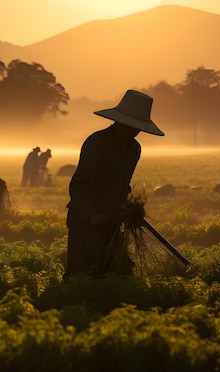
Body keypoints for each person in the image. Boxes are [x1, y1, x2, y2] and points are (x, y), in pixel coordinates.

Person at [63, 90, 164, 280]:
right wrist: (92, 215)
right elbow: (78, 185)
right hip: (85, 221)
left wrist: (129, 207)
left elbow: (123, 185)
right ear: (119, 121)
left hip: (112, 222)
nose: (134, 132)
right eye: (130, 126)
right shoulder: (96, 143)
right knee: (83, 274)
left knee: (120, 272)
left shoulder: (134, 148)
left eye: (137, 128)